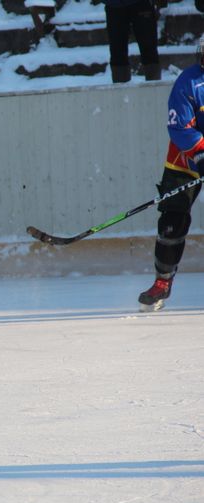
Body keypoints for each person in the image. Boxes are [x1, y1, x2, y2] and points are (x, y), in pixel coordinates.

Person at [138, 36, 204, 311]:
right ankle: (162, 282)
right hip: (184, 159)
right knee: (171, 221)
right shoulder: (189, 82)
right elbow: (179, 129)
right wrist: (201, 154)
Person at [103, 0, 161, 83]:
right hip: (114, 4)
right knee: (117, 52)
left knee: (149, 48)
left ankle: (154, 88)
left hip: (141, 4)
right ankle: (120, 92)